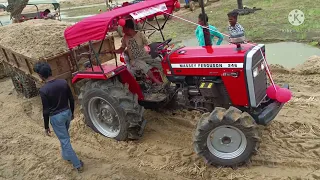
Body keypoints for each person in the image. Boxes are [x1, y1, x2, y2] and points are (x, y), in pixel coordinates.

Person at [33, 62, 84, 173]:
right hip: (67, 113)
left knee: (64, 140)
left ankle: (77, 164)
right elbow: (71, 98)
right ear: (50, 71)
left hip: (56, 118)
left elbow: (46, 110)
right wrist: (71, 112)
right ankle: (66, 156)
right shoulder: (63, 82)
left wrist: (46, 126)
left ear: (41, 75)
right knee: (64, 137)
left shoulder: (43, 90)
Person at [113, 19, 163, 86]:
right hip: (135, 59)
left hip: (144, 55)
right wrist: (113, 51)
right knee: (144, 66)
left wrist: (154, 50)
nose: (122, 30)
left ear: (128, 28)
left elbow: (148, 44)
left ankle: (166, 79)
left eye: (123, 28)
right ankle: (157, 82)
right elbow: (121, 49)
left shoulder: (140, 34)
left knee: (160, 62)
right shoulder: (125, 38)